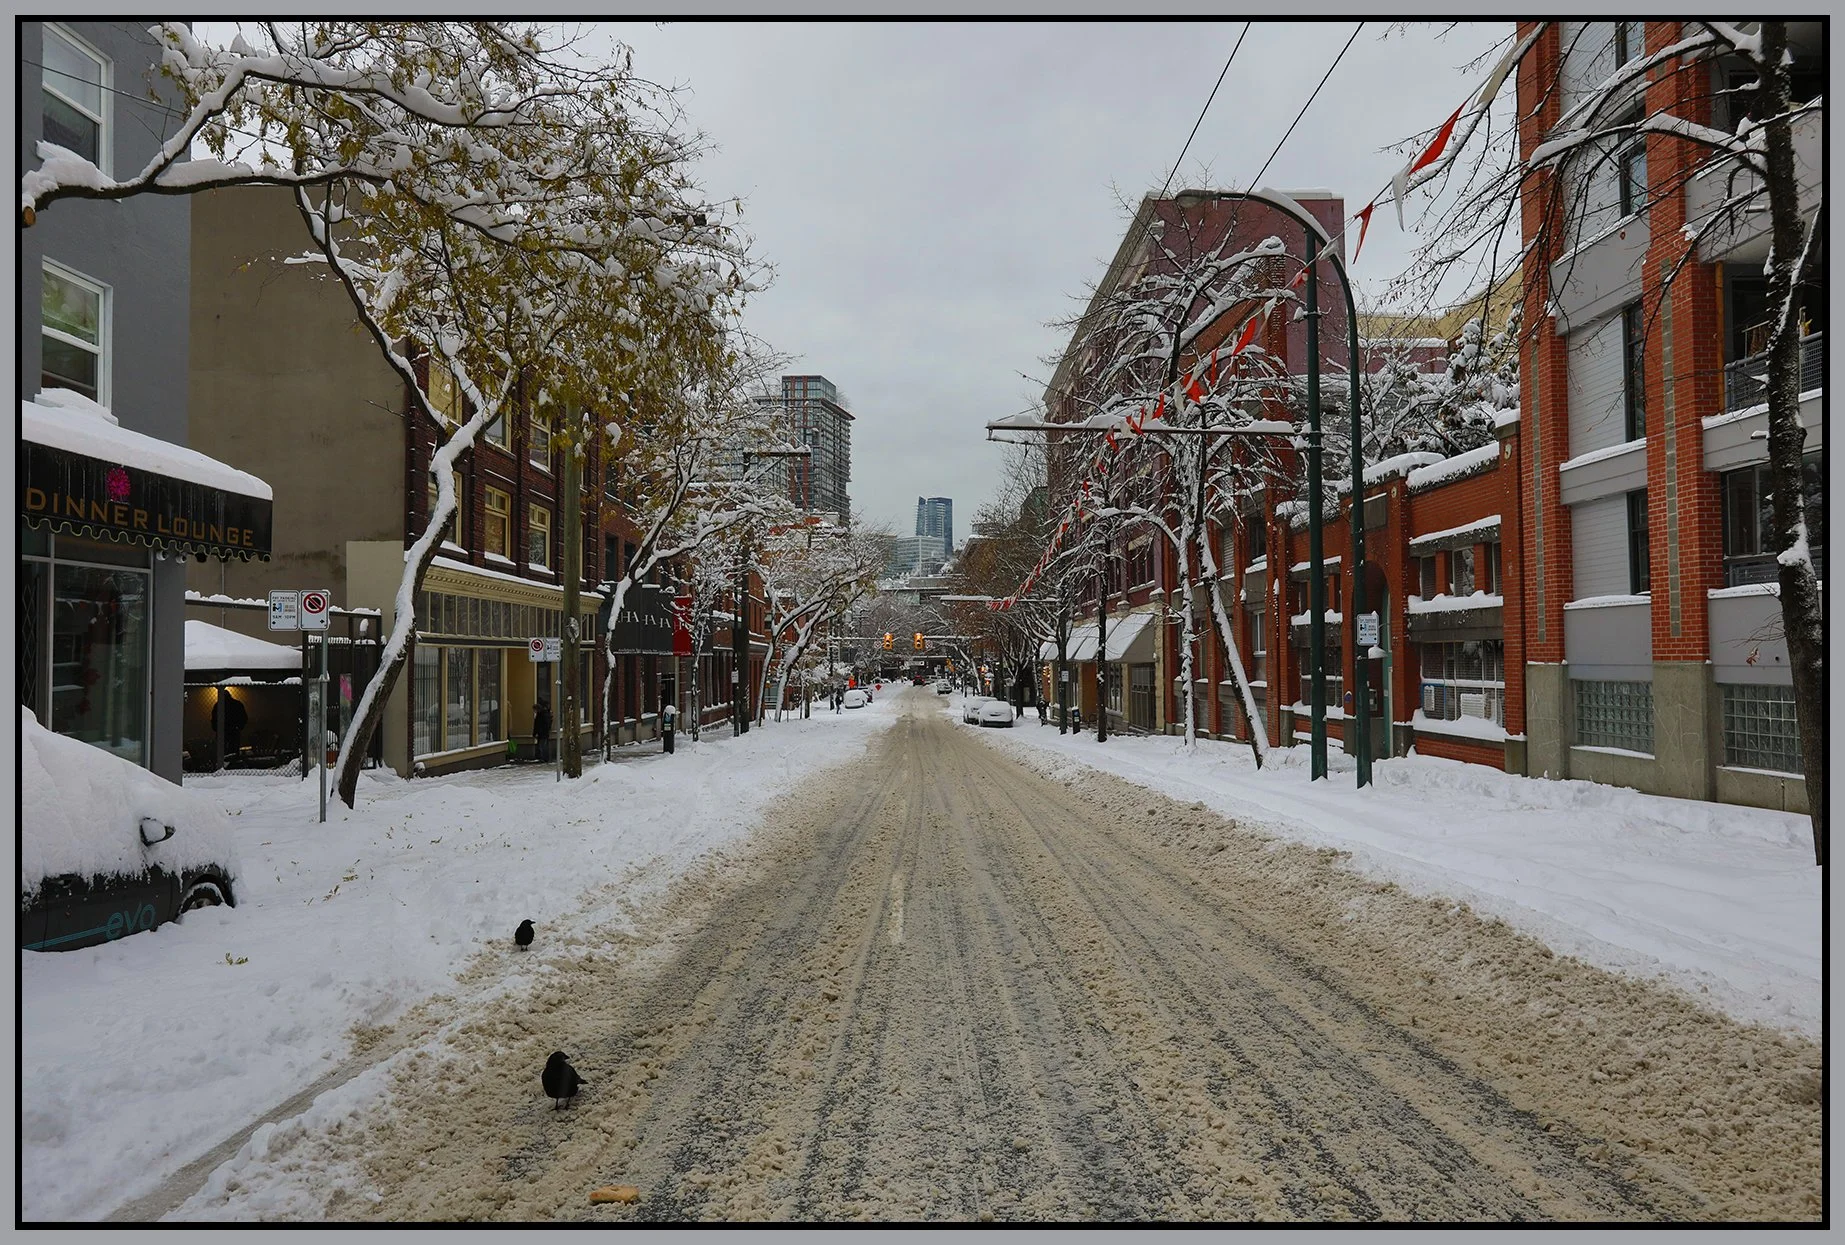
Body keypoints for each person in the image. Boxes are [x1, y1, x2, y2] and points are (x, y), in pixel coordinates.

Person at [533, 699, 553, 763]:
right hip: (542, 733)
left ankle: (544, 758)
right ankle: (544, 757)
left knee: (542, 746)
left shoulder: (543, 715)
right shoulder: (543, 714)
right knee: (542, 745)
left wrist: (536, 732)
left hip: (542, 733)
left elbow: (539, 725)